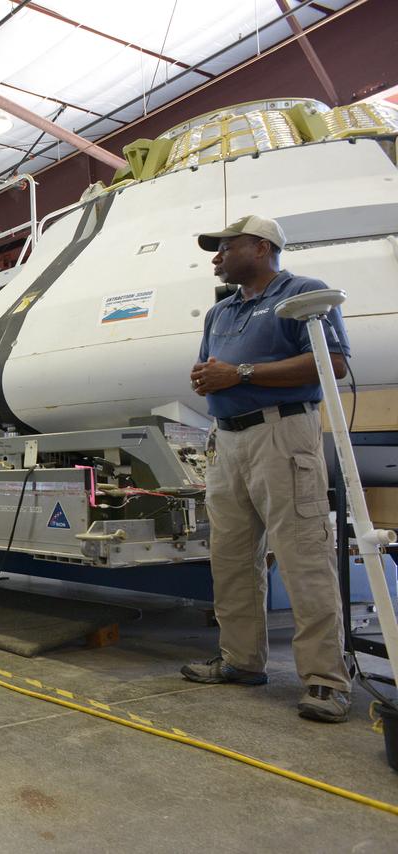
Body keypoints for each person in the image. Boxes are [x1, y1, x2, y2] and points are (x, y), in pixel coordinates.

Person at [181, 214, 352, 724]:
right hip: (227, 440)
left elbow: (333, 363)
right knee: (230, 557)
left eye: (225, 248)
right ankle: (241, 660)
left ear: (259, 247)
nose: (216, 258)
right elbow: (212, 369)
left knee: (302, 555)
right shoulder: (221, 313)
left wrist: (242, 373)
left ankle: (325, 680)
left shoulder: (304, 294)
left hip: (282, 434)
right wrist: (209, 378)